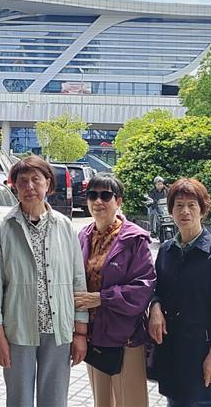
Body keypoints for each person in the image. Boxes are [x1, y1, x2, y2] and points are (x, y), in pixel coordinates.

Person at [0, 155, 88, 407]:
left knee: (55, 400)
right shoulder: (2, 228)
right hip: (17, 330)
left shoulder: (65, 227)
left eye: (36, 180)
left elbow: (78, 282)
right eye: (22, 181)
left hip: (58, 330)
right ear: (14, 187)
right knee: (19, 400)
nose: (29, 187)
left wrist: (80, 332)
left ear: (48, 184)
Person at [148, 178, 211, 407]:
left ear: (202, 210)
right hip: (174, 352)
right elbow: (158, 289)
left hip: (203, 353)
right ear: (171, 210)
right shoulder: (167, 250)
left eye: (191, 205)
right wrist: (155, 306)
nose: (185, 211)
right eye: (179, 205)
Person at [74, 173, 156, 407]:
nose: (98, 201)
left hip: (125, 337)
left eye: (106, 195)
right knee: (102, 401)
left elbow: (143, 288)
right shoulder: (83, 236)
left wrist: (102, 298)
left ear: (118, 201)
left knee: (131, 402)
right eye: (92, 195)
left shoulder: (134, 239)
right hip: (94, 335)